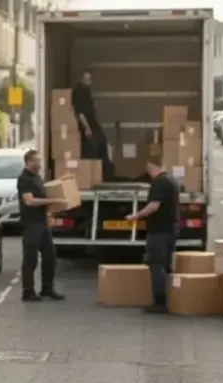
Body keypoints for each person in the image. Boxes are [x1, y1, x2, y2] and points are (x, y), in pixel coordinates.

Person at [125, 155, 180, 314]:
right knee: (166, 265)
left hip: (159, 231)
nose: (148, 171)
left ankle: (160, 302)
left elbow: (154, 206)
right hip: (170, 229)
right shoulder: (171, 180)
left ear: (151, 166)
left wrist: (136, 216)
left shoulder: (159, 182)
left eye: (148, 168)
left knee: (156, 265)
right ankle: (172, 298)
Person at [17, 149, 67, 302]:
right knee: (30, 258)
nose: (39, 164)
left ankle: (47, 288)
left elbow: (43, 193)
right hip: (31, 223)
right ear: (28, 162)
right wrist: (53, 201)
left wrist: (49, 214)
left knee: (50, 255)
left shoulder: (37, 177)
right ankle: (28, 291)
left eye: (39, 160)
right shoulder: (24, 178)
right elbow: (30, 201)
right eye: (36, 161)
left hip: (42, 222)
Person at [71, 70, 115, 180]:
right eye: (86, 79)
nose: (89, 81)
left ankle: (104, 175)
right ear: (82, 79)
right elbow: (79, 112)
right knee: (93, 149)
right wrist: (87, 128)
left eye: (90, 79)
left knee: (102, 143)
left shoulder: (86, 90)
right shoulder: (78, 91)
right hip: (87, 124)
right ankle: (94, 176)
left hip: (92, 122)